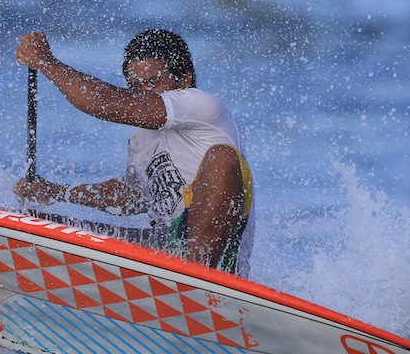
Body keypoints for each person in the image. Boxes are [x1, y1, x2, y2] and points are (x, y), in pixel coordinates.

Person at [13, 29, 255, 276]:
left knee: (222, 158)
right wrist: (56, 192)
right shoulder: (141, 140)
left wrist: (45, 61)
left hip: (218, 261)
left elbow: (104, 102)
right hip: (165, 248)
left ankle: (198, 279)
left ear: (184, 80)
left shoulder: (202, 105)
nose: (142, 94)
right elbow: (132, 195)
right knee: (31, 224)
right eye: (134, 86)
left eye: (152, 83)